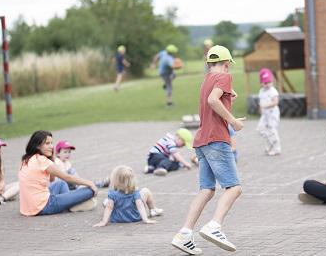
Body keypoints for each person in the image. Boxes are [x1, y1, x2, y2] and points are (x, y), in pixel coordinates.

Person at [170, 45, 244, 255]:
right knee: (234, 188)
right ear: (227, 63)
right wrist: (233, 122)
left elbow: (212, 97)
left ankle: (184, 234)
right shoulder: (224, 78)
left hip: (201, 141)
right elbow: (214, 100)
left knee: (206, 190)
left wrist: (229, 97)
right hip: (216, 140)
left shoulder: (206, 81)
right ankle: (215, 226)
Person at [17, 130, 97, 216]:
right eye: (47, 143)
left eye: (51, 143)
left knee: (60, 184)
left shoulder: (26, 159)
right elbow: (67, 177)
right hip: (44, 206)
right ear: (37, 146)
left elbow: (52, 179)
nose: (51, 146)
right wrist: (90, 183)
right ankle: (71, 205)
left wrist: (50, 160)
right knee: (90, 190)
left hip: (27, 207)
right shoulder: (42, 161)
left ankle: (69, 204)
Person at [92, 166, 163, 227]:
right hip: (134, 217)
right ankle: (153, 209)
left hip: (117, 219)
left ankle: (112, 214)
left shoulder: (112, 194)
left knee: (106, 202)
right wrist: (145, 219)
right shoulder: (135, 193)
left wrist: (104, 222)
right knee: (145, 191)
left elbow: (109, 208)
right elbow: (140, 206)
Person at [256, 68, 281, 156]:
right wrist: (261, 110)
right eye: (265, 83)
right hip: (265, 114)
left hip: (272, 114)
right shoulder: (261, 91)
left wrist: (265, 106)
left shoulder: (273, 91)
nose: (267, 84)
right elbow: (261, 103)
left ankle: (276, 148)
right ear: (261, 83)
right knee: (260, 129)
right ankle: (271, 143)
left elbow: (275, 102)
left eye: (269, 82)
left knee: (272, 130)